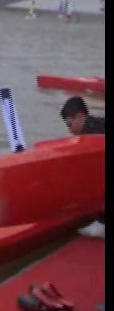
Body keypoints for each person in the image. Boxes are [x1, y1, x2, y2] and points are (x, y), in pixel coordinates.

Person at [60, 96, 106, 238]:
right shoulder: (98, 124)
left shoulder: (92, 135)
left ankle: (103, 222)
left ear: (80, 116)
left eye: (69, 124)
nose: (70, 130)